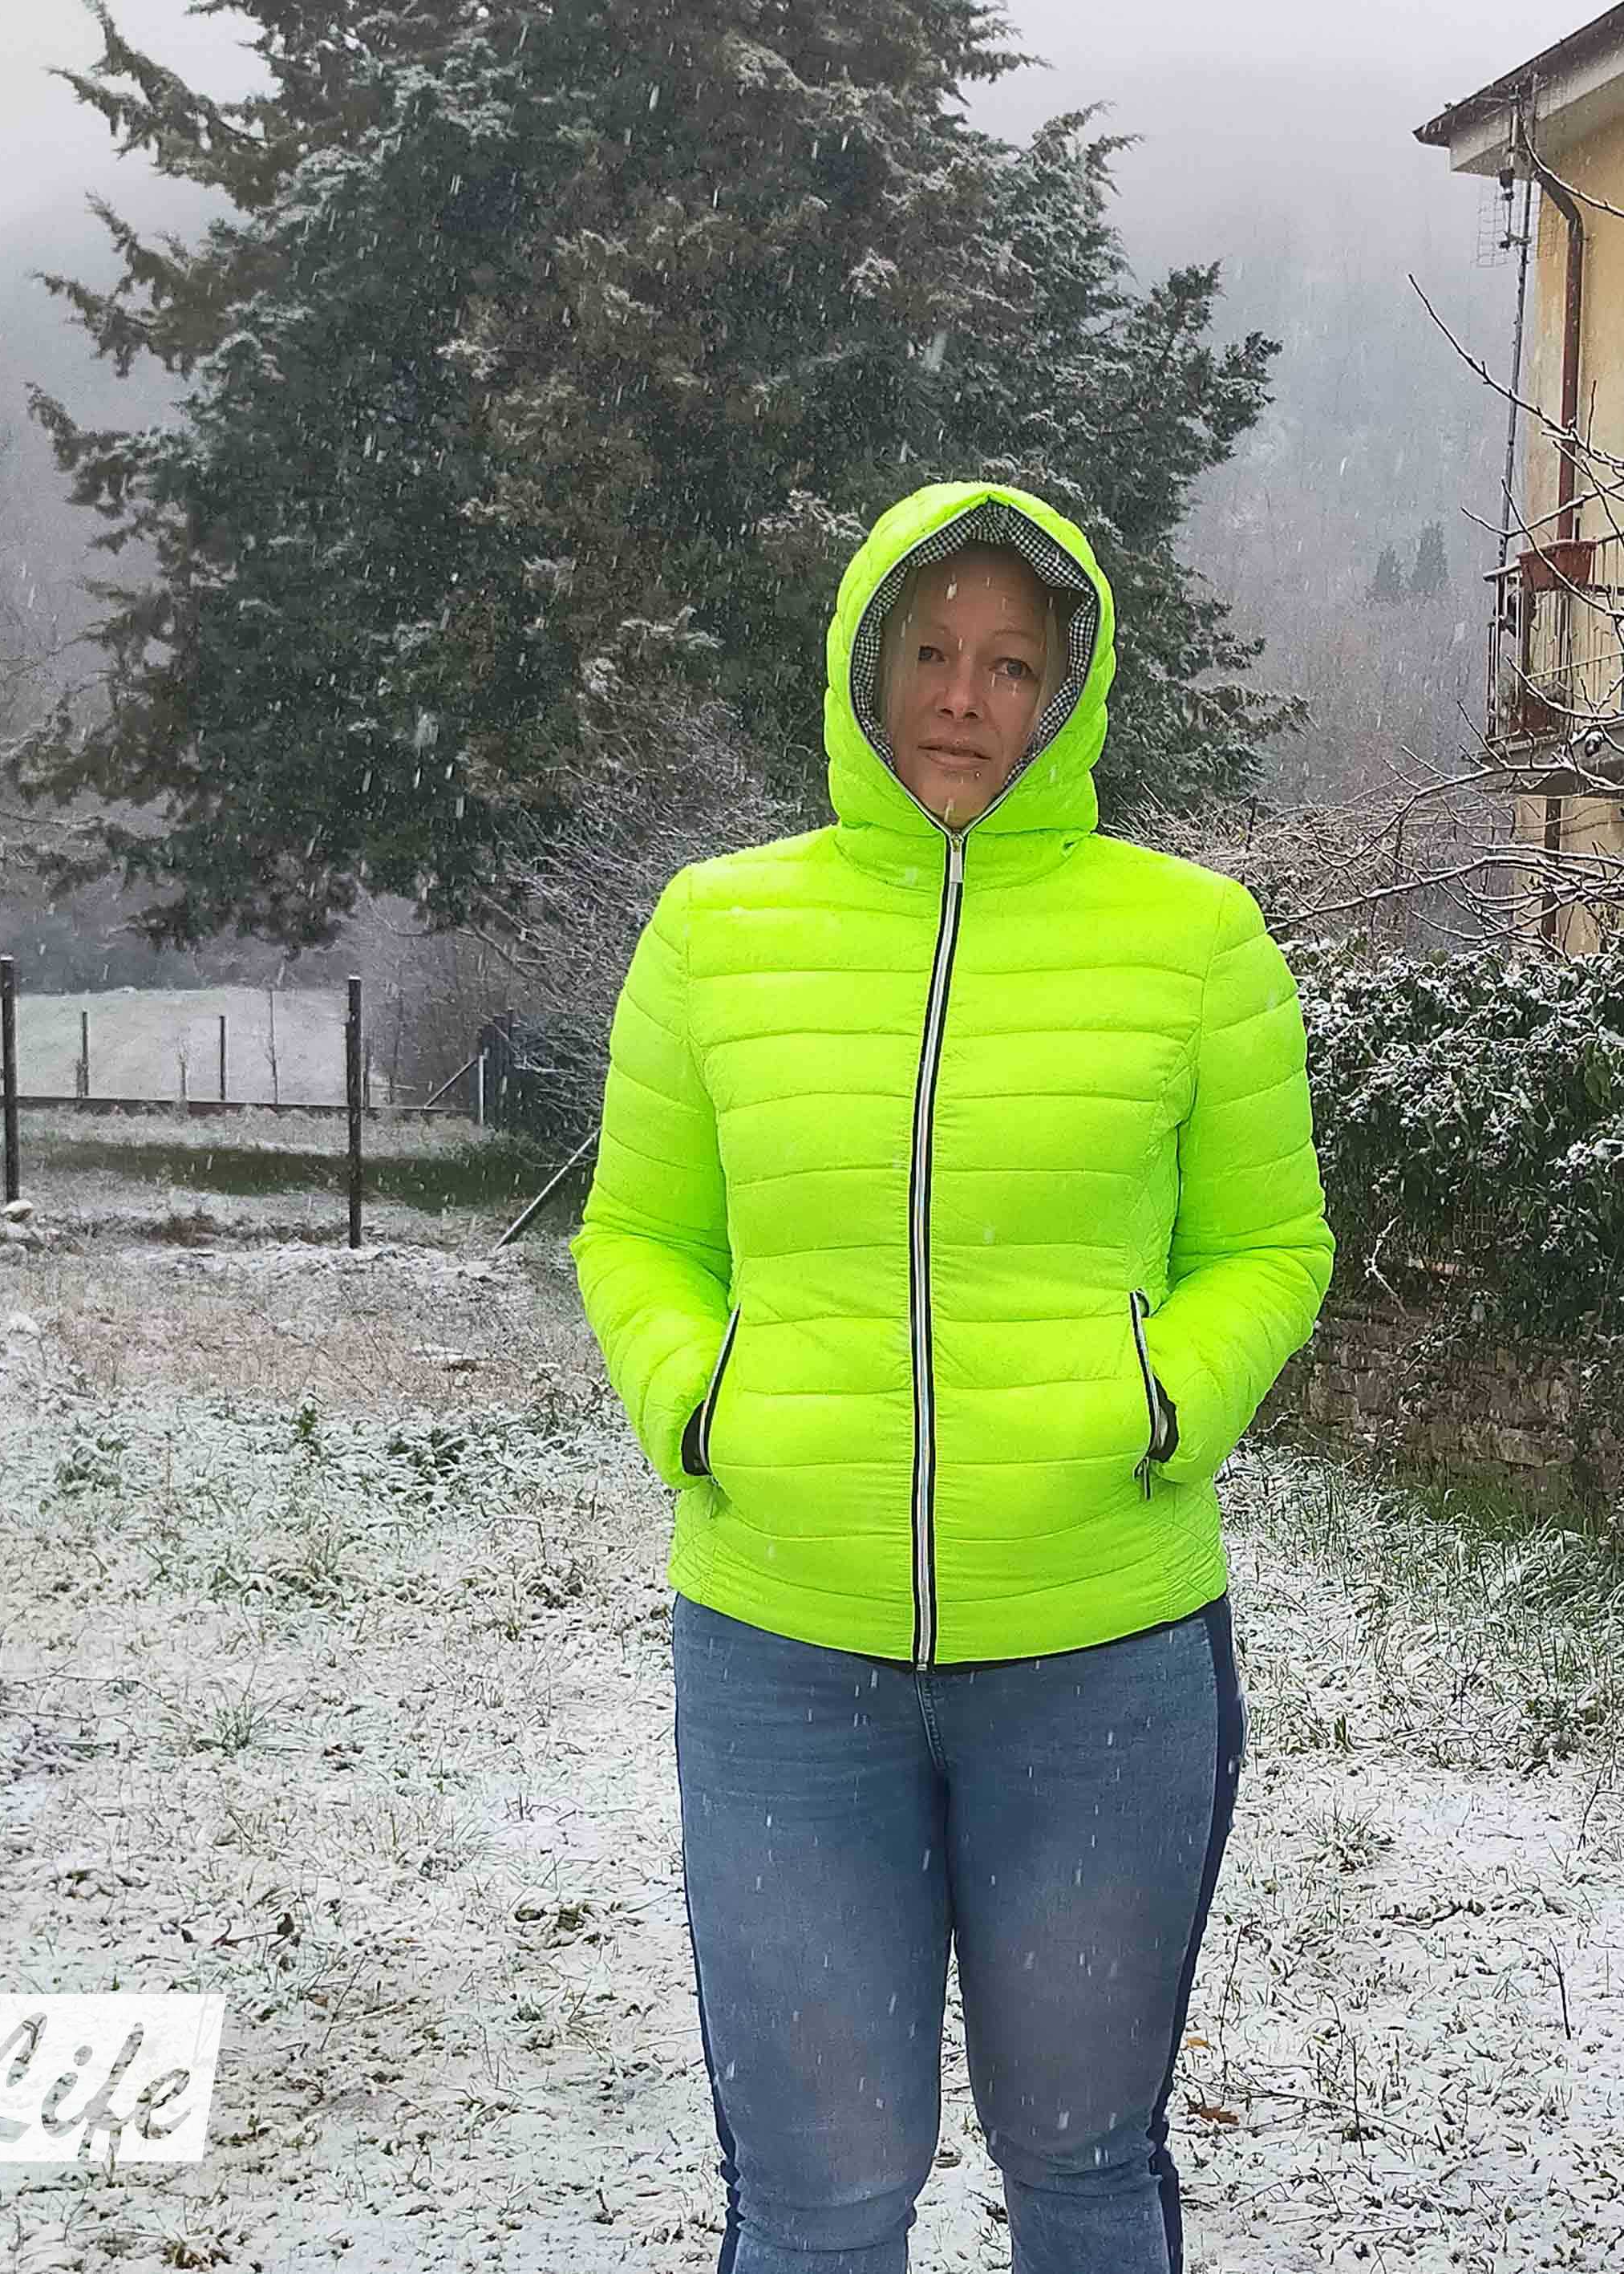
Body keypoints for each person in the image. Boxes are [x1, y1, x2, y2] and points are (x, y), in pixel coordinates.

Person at [570, 478, 1335, 2274]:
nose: (962, 698)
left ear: (1068, 684)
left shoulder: (1192, 939)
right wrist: (702, 1405)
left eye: (1008, 659)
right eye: (926, 649)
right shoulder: (716, 929)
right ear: (863, 665)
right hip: (784, 1656)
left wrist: (1161, 1403)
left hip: (1100, 1660)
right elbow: (639, 1236)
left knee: (1081, 2160)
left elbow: (1269, 1246)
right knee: (821, 2191)